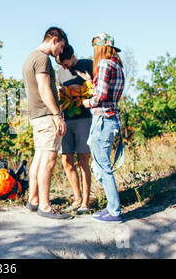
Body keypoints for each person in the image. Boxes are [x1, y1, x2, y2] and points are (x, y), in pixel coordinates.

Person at [22, 27, 72, 220]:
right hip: (46, 115)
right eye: (61, 46)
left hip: (36, 116)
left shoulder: (30, 57)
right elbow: (44, 89)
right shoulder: (42, 58)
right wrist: (57, 115)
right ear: (54, 39)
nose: (61, 51)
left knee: (39, 158)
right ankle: (45, 206)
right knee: (49, 160)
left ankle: (33, 201)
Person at [81, 33, 125, 223]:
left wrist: (86, 102)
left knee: (102, 167)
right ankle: (111, 207)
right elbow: (107, 91)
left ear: (100, 47)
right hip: (111, 119)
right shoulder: (117, 65)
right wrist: (92, 82)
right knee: (100, 165)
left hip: (102, 121)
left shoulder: (105, 64)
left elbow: (100, 96)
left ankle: (114, 211)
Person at [55, 44, 93, 214]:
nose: (63, 67)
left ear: (72, 57)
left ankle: (86, 202)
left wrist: (86, 86)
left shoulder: (87, 64)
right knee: (66, 160)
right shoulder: (60, 72)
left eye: (65, 63)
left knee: (83, 161)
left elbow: (98, 89)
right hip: (66, 119)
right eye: (60, 65)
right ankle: (76, 199)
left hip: (84, 119)